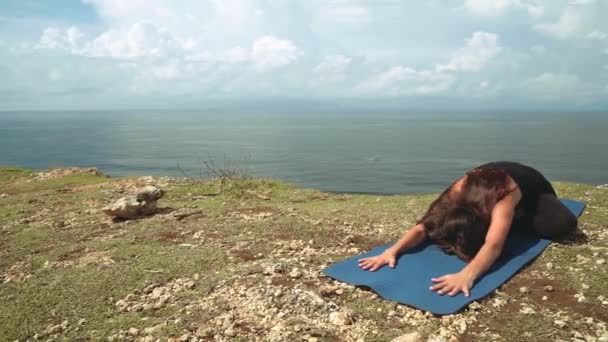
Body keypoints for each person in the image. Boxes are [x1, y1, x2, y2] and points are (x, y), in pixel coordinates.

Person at [358, 161, 578, 297]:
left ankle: (526, 215)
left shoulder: (503, 197)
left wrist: (467, 275)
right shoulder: (458, 189)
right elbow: (424, 226)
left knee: (559, 226)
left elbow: (494, 244)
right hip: (487, 190)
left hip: (533, 193)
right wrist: (392, 251)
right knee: (448, 222)